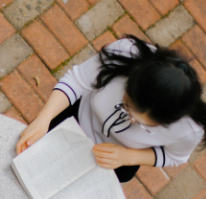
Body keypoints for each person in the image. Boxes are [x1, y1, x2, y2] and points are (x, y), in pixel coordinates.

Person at [16, 35, 206, 182]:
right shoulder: (126, 52)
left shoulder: (190, 129)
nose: (131, 120)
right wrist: (44, 118)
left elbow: (175, 156)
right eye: (126, 107)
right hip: (75, 119)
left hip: (114, 160)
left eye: (145, 126)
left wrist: (129, 156)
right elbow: (77, 80)